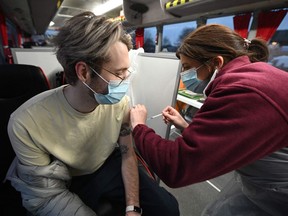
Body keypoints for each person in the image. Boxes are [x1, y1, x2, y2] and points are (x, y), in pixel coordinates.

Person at [5, 12, 179, 216]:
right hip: (68, 179)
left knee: (167, 209)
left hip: (106, 163)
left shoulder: (120, 102)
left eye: (127, 71)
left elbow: (127, 154)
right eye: (119, 73)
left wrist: (133, 207)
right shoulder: (25, 122)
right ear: (84, 72)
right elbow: (46, 195)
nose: (126, 80)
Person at [130, 24, 288, 216]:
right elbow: (233, 136)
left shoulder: (241, 92)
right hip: (262, 176)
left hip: (277, 190)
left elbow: (176, 166)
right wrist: (187, 126)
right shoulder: (253, 74)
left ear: (217, 62)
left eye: (188, 68)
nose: (184, 76)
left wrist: (139, 127)